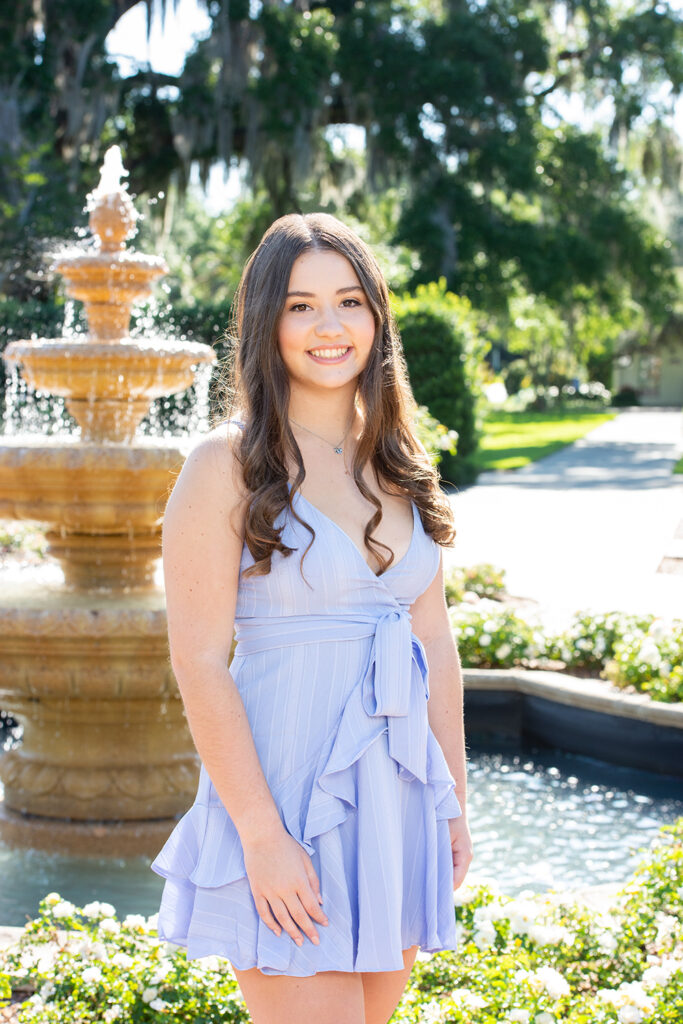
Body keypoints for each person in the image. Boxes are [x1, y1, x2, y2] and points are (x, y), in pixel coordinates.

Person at [150, 212, 473, 1024]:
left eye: (348, 301)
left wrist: (453, 802)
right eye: (300, 306)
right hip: (284, 801)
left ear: (375, 315)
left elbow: (434, 642)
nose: (329, 326)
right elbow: (198, 660)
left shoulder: (398, 460)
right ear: (267, 320)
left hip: (395, 809)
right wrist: (260, 834)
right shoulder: (223, 465)